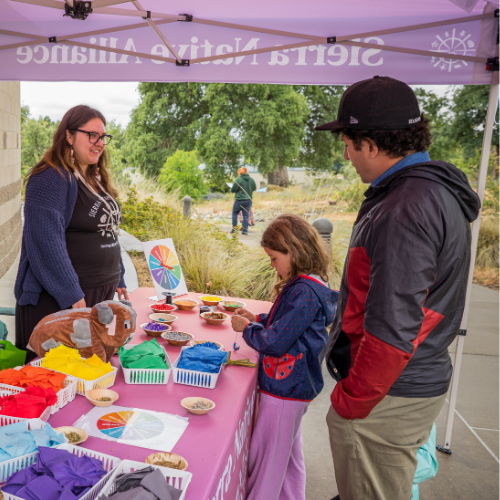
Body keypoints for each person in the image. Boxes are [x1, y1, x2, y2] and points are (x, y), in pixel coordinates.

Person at [314, 76, 480, 500]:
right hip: (406, 381)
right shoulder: (427, 191)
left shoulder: (406, 205)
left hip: (388, 390)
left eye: (348, 142)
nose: (347, 153)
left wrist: (350, 402)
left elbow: (393, 326)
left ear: (370, 143)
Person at [231, 214, 339, 500]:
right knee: (288, 457)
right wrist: (259, 318)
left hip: (284, 390)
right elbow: (288, 322)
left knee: (267, 462)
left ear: (293, 251)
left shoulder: (303, 290)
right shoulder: (309, 284)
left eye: (274, 257)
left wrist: (248, 329)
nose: (271, 264)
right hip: (295, 388)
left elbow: (276, 342)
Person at [15, 105, 128, 362]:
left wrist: (118, 273)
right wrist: (72, 294)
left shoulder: (94, 177)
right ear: (68, 136)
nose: (100, 143)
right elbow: (45, 241)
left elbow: (108, 229)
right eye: (92, 135)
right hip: (59, 299)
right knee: (57, 380)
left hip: (95, 294)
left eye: (103, 137)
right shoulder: (50, 177)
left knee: (90, 377)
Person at [230, 167, 256, 235]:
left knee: (235, 213)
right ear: (246, 172)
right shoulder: (251, 180)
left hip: (239, 200)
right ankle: (245, 230)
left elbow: (233, 190)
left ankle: (234, 229)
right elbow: (254, 188)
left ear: (239, 173)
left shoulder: (238, 180)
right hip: (248, 200)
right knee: (246, 215)